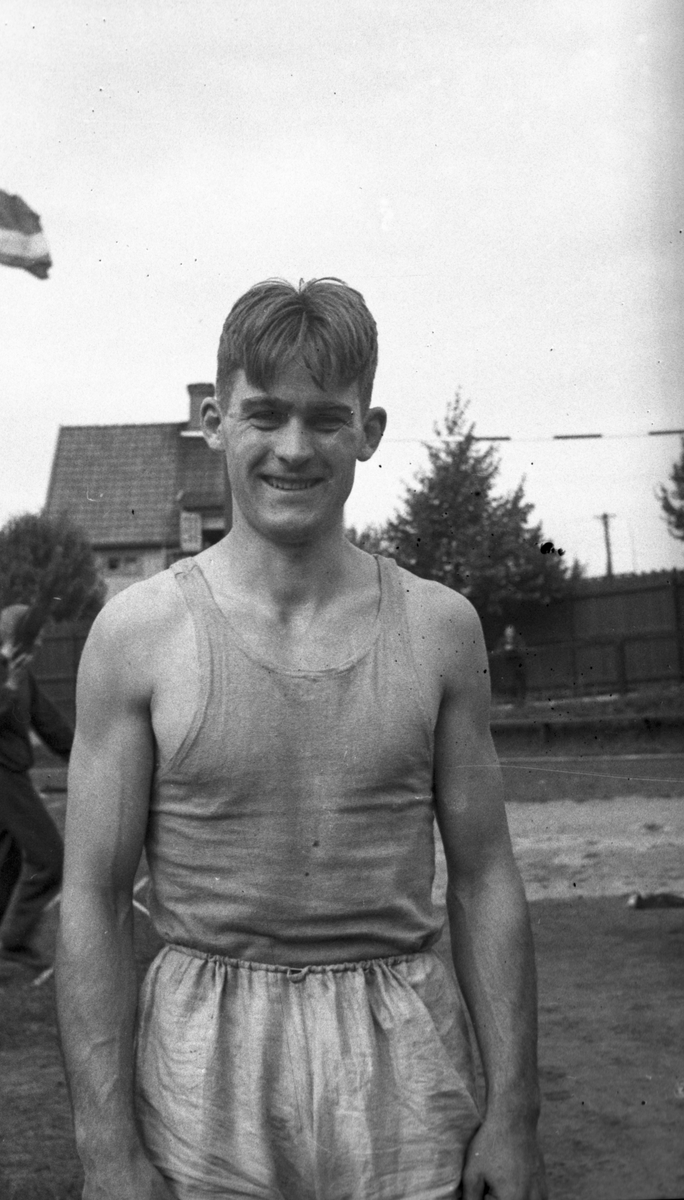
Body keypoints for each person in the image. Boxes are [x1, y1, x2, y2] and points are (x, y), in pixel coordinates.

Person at [56, 278, 547, 1200]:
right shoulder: (138, 634)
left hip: (405, 1069)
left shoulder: (440, 628)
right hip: (201, 1073)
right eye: (265, 413)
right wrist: (106, 1150)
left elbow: (485, 875)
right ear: (214, 421)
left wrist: (514, 1116)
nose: (293, 447)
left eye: (326, 418)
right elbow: (93, 894)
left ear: (369, 430)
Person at [0, 605, 74, 982]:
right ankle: (15, 941)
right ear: (20, 636)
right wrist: (8, 687)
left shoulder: (23, 676)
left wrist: (85, 756)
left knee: (0, 868)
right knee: (51, 858)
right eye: (36, 635)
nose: (41, 641)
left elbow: (50, 724)